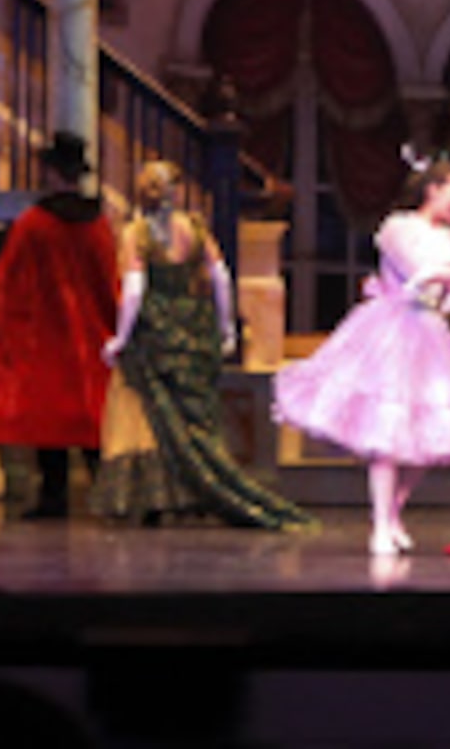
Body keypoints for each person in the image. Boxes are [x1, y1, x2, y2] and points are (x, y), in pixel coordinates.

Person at [272, 160, 450, 555]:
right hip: (391, 329)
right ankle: (380, 525)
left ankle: (391, 513)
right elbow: (420, 273)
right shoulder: (398, 227)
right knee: (387, 436)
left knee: (432, 439)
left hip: (430, 333)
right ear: (432, 189)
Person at [96, 159, 313, 530]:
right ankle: (190, 495)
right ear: (176, 192)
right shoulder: (194, 229)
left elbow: (134, 290)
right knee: (194, 419)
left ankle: (162, 497)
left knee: (151, 416)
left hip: (155, 331)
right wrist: (225, 324)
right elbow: (221, 278)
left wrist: (122, 335)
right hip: (194, 327)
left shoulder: (137, 233)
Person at [0, 133, 120, 519]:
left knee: (51, 421)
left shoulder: (34, 224)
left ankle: (54, 498)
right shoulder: (98, 224)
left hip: (48, 336)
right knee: (93, 418)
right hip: (91, 335)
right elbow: (111, 282)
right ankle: (106, 493)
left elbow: (11, 282)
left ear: (52, 173)